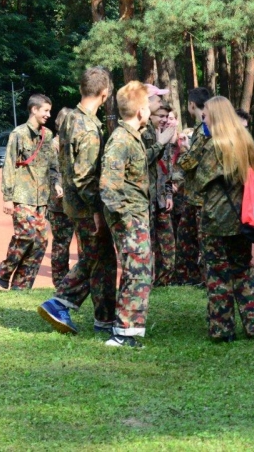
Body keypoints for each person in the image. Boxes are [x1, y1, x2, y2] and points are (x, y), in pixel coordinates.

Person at [179, 96, 254, 342]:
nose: (203, 119)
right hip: (242, 216)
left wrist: (192, 149)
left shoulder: (214, 145)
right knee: (243, 271)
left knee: (218, 273)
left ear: (216, 116)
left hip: (216, 217)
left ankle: (222, 329)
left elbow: (200, 181)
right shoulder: (245, 140)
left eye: (206, 115)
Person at [38, 67, 117, 335]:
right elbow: (84, 176)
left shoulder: (70, 117)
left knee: (100, 260)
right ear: (104, 93)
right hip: (86, 206)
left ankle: (104, 320)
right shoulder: (88, 127)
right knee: (98, 258)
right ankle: (60, 302)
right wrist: (97, 210)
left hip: (73, 204)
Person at [98, 81, 155, 348]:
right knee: (137, 272)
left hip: (134, 215)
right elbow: (109, 186)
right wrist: (127, 219)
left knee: (139, 271)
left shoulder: (132, 137)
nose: (150, 112)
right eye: (148, 107)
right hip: (129, 218)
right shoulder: (121, 140)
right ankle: (123, 333)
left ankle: (126, 329)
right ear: (141, 111)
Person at [0, 94, 58, 290]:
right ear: (34, 110)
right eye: (45, 110)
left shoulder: (47, 135)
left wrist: (57, 183)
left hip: (42, 198)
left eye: (49, 111)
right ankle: (4, 270)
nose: (48, 115)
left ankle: (21, 286)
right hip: (22, 195)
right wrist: (7, 197)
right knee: (26, 235)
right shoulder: (18, 134)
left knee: (40, 241)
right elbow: (8, 165)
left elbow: (53, 165)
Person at [175, 87, 213, 284]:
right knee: (185, 238)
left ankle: (206, 278)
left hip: (201, 196)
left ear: (191, 105)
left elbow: (191, 161)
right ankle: (188, 277)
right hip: (194, 195)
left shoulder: (204, 128)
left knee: (202, 240)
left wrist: (182, 153)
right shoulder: (203, 127)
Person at [150, 102, 179, 285]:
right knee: (149, 245)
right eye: (160, 116)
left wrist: (168, 195)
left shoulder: (166, 137)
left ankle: (164, 281)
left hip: (162, 199)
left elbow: (167, 170)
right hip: (147, 200)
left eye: (166, 116)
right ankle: (147, 281)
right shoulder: (145, 136)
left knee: (167, 243)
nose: (164, 120)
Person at [47, 107, 75, 288]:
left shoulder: (73, 144)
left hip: (75, 201)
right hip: (58, 202)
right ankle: (60, 281)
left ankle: (76, 279)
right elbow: (51, 169)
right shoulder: (53, 145)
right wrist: (57, 184)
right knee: (61, 243)